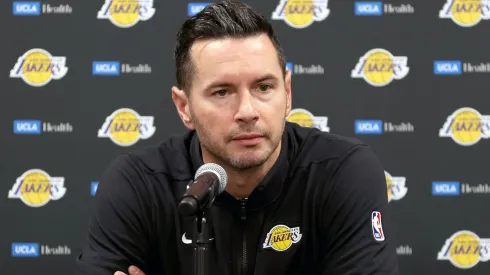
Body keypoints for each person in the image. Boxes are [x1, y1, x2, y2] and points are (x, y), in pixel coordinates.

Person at [75, 1, 400, 274]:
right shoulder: (140, 183)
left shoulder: (341, 171)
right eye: (222, 92)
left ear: (287, 92)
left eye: (263, 87)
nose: (247, 111)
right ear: (184, 106)